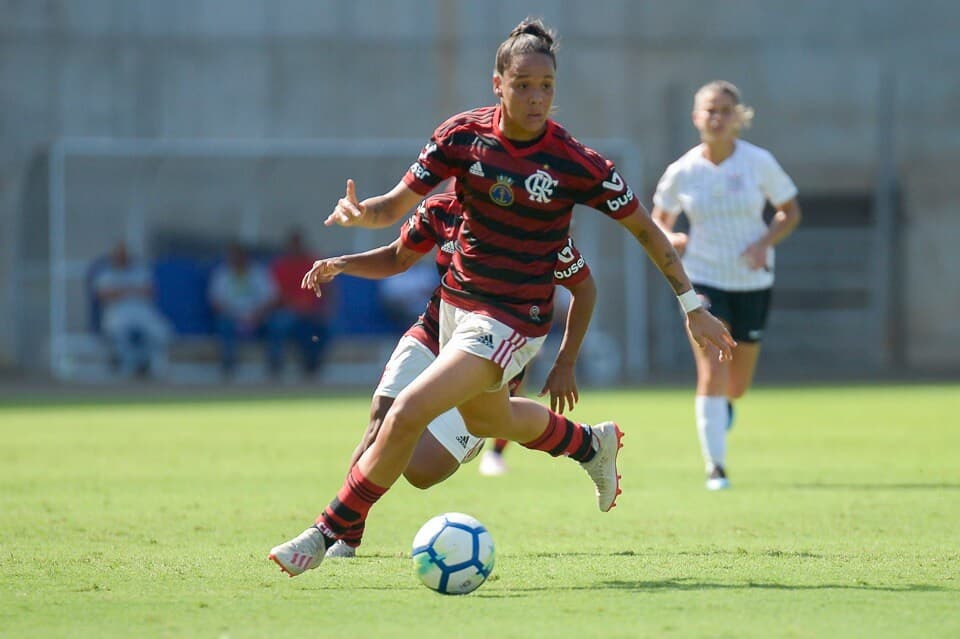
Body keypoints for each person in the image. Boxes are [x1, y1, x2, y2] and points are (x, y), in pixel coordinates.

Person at [269, 17, 734, 578]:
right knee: (473, 420)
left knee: (411, 413)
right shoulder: (461, 137)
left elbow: (644, 232)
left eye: (546, 86)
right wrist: (360, 215)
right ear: (498, 84)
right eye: (523, 85)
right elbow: (391, 210)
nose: (536, 97)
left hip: (511, 321)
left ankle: (324, 533)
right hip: (450, 311)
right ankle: (590, 445)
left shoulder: (576, 162)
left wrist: (691, 306)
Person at [300, 190, 597, 558]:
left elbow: (584, 289)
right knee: (381, 419)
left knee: (422, 471)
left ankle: (581, 441)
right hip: (434, 329)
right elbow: (398, 256)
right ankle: (345, 534)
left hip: (490, 347)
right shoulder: (440, 209)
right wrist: (343, 263)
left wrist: (565, 362)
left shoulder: (529, 222)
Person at [651, 80, 802, 491]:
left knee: (737, 384)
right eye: (709, 110)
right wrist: (673, 238)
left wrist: (764, 243)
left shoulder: (758, 162)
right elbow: (658, 221)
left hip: (752, 281)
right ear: (696, 117)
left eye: (724, 111)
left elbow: (789, 211)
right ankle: (715, 467)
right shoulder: (682, 171)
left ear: (738, 118)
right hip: (702, 281)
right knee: (713, 370)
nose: (716, 118)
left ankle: (722, 411)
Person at [92, 241, 173, 378]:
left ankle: (152, 366)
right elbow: (103, 295)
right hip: (117, 313)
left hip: (142, 312)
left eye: (125, 255)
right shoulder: (106, 275)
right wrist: (131, 290)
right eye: (119, 255)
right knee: (119, 334)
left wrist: (121, 290)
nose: (122, 258)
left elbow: (150, 292)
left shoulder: (140, 272)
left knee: (162, 332)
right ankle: (128, 367)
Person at [267, 229, 335, 377]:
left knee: (323, 329)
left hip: (312, 311)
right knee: (278, 325)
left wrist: (324, 309)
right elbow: (276, 295)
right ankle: (275, 368)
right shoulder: (281, 266)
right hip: (288, 310)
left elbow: (328, 290)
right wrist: (295, 306)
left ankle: (312, 368)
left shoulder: (313, 263)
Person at [207, 242, 279, 377]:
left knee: (277, 324)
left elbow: (272, 299)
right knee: (223, 323)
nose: (236, 260)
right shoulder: (221, 274)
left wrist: (257, 316)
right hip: (232, 318)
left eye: (239, 256)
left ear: (245, 257)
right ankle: (228, 367)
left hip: (258, 318)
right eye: (233, 257)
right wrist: (236, 317)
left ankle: (275, 366)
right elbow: (215, 302)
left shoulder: (259, 272)